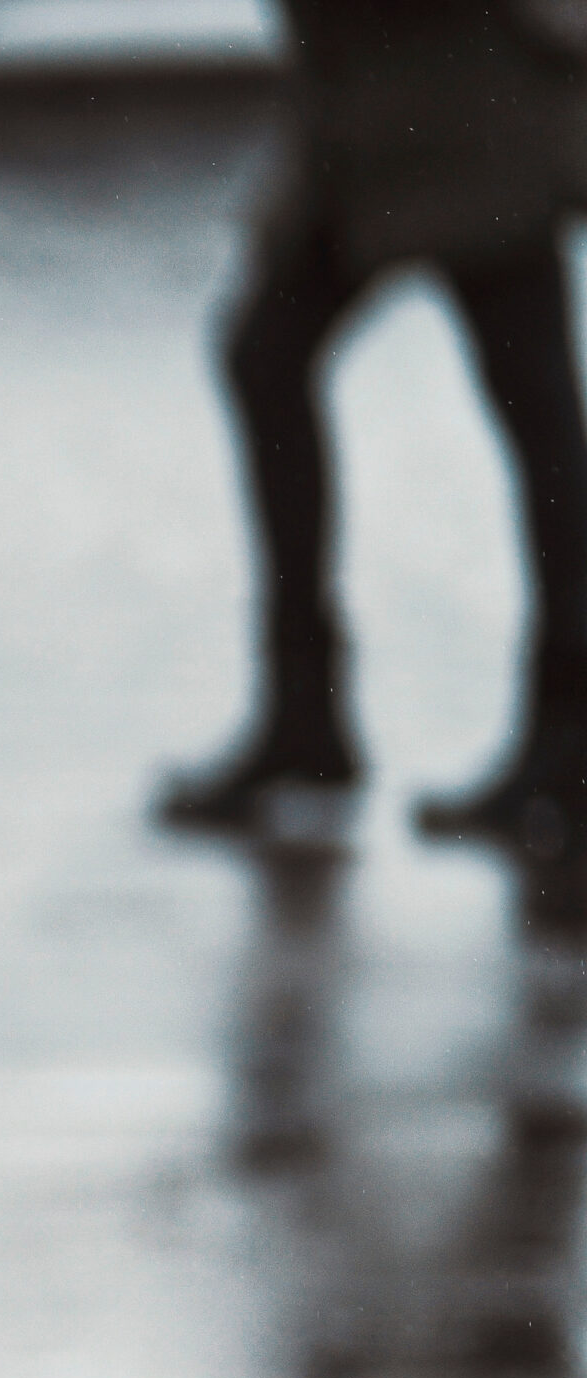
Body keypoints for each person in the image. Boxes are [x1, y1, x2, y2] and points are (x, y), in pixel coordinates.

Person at [164, 0, 587, 854]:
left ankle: (568, 734)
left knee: (537, 416)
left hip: (464, 110)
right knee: (265, 359)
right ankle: (304, 717)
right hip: (365, 114)